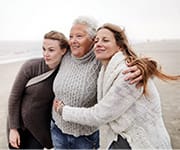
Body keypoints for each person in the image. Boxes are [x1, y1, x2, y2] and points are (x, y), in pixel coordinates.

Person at [53, 23, 180, 149]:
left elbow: (100, 114)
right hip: (119, 138)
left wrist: (63, 110)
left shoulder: (128, 74)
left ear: (119, 46)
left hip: (140, 142)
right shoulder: (106, 67)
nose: (99, 44)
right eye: (96, 41)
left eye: (105, 40)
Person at [7, 31, 69, 149]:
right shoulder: (31, 66)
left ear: (63, 50)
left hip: (40, 130)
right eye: (44, 49)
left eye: (51, 50)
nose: (46, 54)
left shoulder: (65, 71)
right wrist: (13, 129)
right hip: (20, 126)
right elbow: (14, 97)